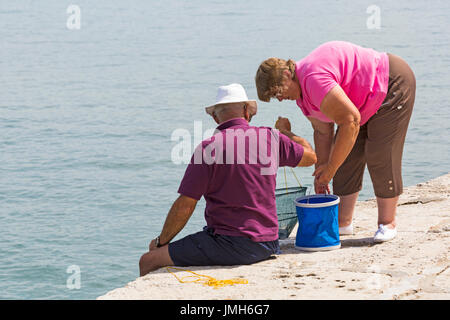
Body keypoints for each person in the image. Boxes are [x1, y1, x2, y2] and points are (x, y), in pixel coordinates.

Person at [139, 83, 316, 276]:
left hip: (230, 244)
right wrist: (286, 132)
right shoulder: (271, 137)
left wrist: (160, 243)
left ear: (215, 117)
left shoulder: (208, 148)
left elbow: (186, 205)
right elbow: (310, 157)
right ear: (247, 111)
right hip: (268, 243)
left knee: (148, 261)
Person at [255, 41, 416, 243]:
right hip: (361, 102)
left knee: (379, 153)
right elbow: (322, 130)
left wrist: (331, 167)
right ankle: (343, 223)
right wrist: (323, 169)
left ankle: (387, 223)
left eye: (277, 92)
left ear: (287, 76)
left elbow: (350, 120)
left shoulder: (313, 79)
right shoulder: (301, 96)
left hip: (390, 82)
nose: (279, 99)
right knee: (344, 156)